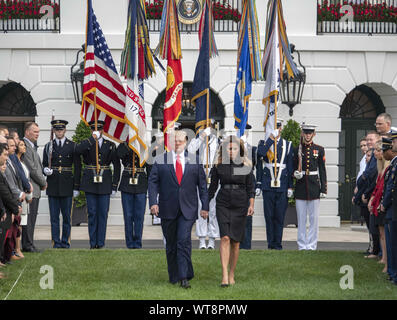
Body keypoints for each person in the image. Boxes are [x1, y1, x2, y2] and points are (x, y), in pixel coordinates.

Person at [148, 130, 209, 289]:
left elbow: (202, 186)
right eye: (175, 141)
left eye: (180, 141)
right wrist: (153, 203)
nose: (178, 143)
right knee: (171, 244)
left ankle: (183, 278)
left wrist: (205, 206)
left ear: (186, 141)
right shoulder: (161, 160)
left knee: (183, 240)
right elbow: (153, 183)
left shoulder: (195, 161)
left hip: (188, 209)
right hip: (168, 208)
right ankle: (175, 274)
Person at [208, 135, 255, 287]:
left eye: (235, 148)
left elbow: (251, 188)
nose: (232, 151)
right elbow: (212, 188)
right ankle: (224, 276)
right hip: (223, 203)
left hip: (240, 204)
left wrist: (251, 205)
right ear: (224, 150)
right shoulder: (218, 166)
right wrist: (204, 205)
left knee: (235, 241)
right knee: (225, 238)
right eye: (229, 148)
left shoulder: (246, 165)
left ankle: (232, 273)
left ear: (239, 150)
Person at [75, 120, 120, 249]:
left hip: (105, 182)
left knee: (103, 213)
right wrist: (91, 139)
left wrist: (114, 185)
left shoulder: (110, 145)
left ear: (103, 131)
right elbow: (77, 151)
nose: (97, 132)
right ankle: (92, 242)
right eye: (94, 130)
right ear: (91, 131)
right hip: (90, 182)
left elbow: (116, 165)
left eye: (99, 130)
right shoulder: (87, 143)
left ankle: (101, 243)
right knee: (92, 213)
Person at [42, 120, 81, 249]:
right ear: (53, 131)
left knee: (66, 217)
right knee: (54, 217)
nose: (59, 132)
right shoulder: (49, 146)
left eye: (61, 129)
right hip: (53, 185)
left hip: (67, 185)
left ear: (65, 130)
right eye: (57, 130)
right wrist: (45, 170)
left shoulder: (73, 146)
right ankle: (56, 242)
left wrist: (76, 186)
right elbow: (44, 164)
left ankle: (65, 242)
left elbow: (78, 167)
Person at [256, 119, 294, 250]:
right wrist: (271, 138)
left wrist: (290, 186)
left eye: (278, 126)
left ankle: (277, 244)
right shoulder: (264, 143)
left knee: (279, 216)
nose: (276, 128)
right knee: (269, 216)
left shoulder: (287, 144)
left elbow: (289, 167)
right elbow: (260, 155)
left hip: (282, 184)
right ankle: (270, 243)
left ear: (281, 128)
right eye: (274, 126)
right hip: (268, 184)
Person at [293, 123, 327, 251]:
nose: (307, 135)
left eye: (310, 133)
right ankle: (302, 245)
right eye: (305, 133)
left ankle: (312, 245)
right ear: (302, 134)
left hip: (313, 186)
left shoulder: (319, 149)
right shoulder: (297, 149)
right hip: (301, 186)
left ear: (314, 134)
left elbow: (322, 170)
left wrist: (323, 189)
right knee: (301, 219)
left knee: (314, 219)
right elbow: (293, 166)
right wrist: (294, 174)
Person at [188, 118, 220, 249]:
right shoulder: (198, 141)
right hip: (200, 176)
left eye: (211, 126)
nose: (210, 129)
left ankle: (212, 239)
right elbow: (190, 150)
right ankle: (202, 239)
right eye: (207, 126)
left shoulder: (219, 141)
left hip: (214, 177)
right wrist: (201, 137)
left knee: (213, 210)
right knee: (202, 208)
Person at [117, 142, 150, 249]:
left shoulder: (145, 146)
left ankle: (138, 242)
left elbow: (149, 167)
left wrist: (151, 186)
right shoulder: (124, 145)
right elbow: (119, 155)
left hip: (141, 183)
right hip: (127, 182)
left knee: (139, 216)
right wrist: (129, 145)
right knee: (128, 216)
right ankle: (129, 243)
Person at [354, 131, 380, 258]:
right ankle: (373, 248)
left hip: (371, 193)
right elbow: (362, 175)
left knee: (374, 226)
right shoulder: (368, 156)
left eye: (371, 140)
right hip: (365, 192)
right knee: (371, 226)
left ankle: (375, 250)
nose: (368, 142)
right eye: (367, 140)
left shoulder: (376, 156)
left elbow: (371, 175)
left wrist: (365, 193)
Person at [22, 122, 47, 253]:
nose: (37, 134)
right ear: (27, 132)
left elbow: (38, 167)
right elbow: (32, 168)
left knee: (32, 218)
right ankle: (27, 245)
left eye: (38, 131)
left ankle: (30, 243)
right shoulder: (25, 146)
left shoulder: (31, 146)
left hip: (35, 188)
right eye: (35, 131)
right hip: (30, 188)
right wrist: (43, 182)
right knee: (29, 219)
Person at [368, 140, 389, 271]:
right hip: (378, 202)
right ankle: (384, 258)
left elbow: (383, 188)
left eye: (377, 150)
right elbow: (377, 187)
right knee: (381, 233)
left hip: (383, 203)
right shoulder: (380, 168)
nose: (375, 152)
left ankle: (386, 259)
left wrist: (376, 200)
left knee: (385, 234)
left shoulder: (387, 167)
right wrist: (372, 198)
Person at [381, 133, 397, 285]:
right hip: (391, 209)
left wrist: (384, 204)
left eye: (395, 141)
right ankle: (393, 272)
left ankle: (394, 273)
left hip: (393, 208)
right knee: (392, 244)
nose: (393, 144)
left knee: (394, 244)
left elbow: (391, 189)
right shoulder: (393, 164)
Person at [240, 123, 257, 250]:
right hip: (235, 184)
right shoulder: (231, 148)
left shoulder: (252, 149)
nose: (244, 133)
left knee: (247, 217)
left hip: (247, 183)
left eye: (246, 132)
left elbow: (253, 166)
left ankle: (246, 245)